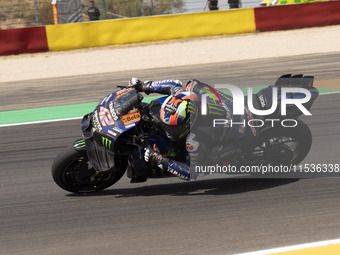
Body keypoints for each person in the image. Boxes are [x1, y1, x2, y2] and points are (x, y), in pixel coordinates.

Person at [128, 78, 258, 181]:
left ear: (188, 124)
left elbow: (191, 173)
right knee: (192, 84)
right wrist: (144, 86)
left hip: (242, 131)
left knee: (211, 161)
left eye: (174, 128)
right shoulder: (185, 98)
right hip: (232, 108)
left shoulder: (194, 140)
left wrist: (160, 160)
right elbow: (173, 84)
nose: (169, 130)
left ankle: (239, 157)